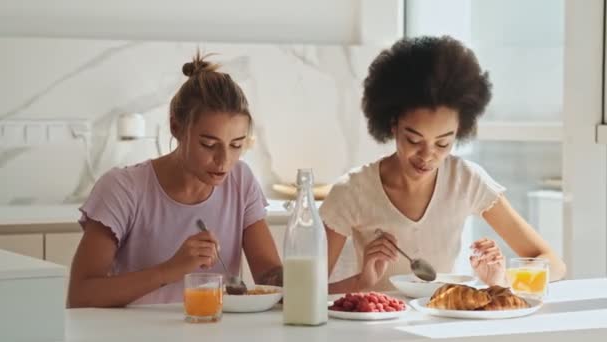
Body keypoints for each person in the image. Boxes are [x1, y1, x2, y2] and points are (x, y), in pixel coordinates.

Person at [319, 36, 566, 293]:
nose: (427, 156)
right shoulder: (352, 191)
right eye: (414, 140)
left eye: (442, 144)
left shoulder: (466, 180)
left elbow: (553, 263)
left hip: (446, 322)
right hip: (378, 328)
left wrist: (501, 279)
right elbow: (300, 292)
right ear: (392, 125)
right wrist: (361, 282)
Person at [67, 52, 282, 307]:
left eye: (236, 145)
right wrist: (170, 270)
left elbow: (268, 275)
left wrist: (304, 273)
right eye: (209, 144)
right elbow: (81, 295)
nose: (224, 161)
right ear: (176, 127)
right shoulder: (123, 189)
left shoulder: (241, 181)